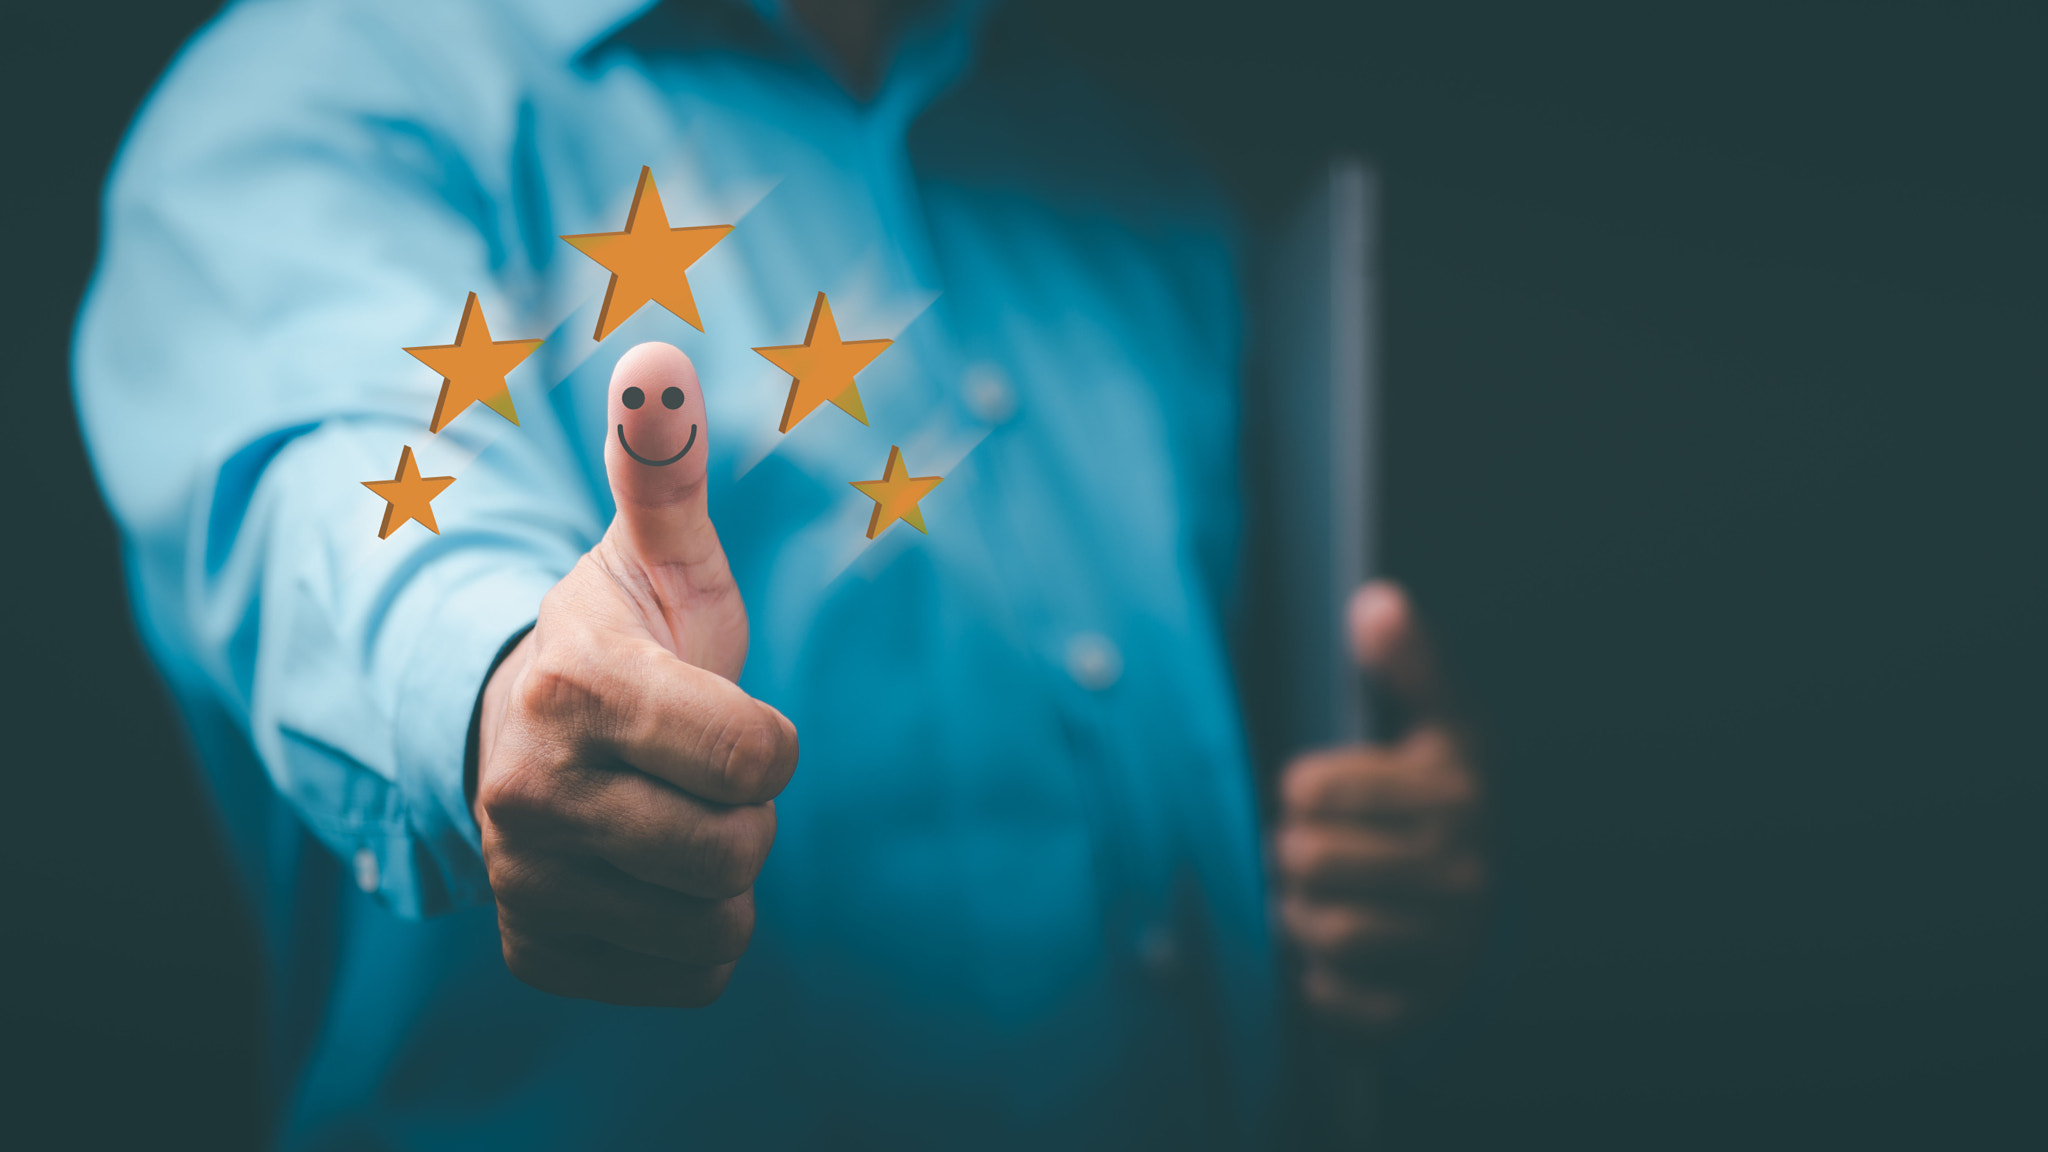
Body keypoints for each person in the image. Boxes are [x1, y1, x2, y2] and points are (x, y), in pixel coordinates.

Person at [74, 0, 1484, 1145]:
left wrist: (1365, 896)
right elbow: (333, 471)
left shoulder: (1144, 194)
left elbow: (1224, 778)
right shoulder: (327, 103)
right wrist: (502, 683)